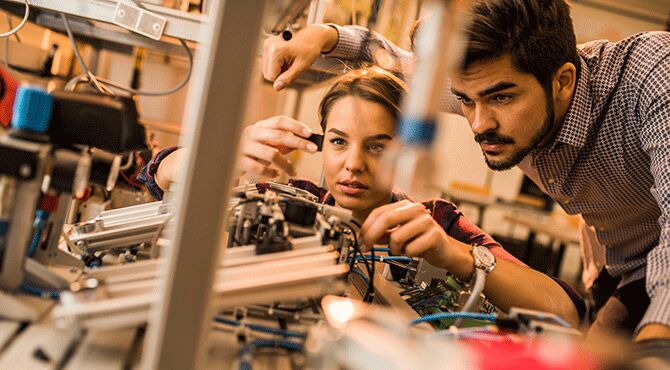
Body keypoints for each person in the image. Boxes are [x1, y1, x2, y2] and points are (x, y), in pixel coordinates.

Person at [260, 0, 670, 340]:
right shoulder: (490, 87)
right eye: (465, 101)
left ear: (562, 81)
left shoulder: (652, 77)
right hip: (624, 262)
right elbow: (392, 62)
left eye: (501, 98)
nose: (478, 124)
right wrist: (326, 37)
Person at [139, 67, 583, 327]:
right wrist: (222, 154)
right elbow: (156, 174)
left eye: (376, 146)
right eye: (338, 142)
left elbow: (566, 309)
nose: (353, 164)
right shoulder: (289, 199)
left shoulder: (434, 222)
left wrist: (456, 255)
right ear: (320, 142)